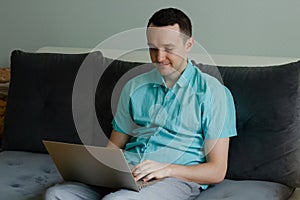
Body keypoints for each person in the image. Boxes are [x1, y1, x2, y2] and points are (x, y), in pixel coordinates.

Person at [45, 7, 237, 200]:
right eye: (153, 48)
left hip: (174, 180)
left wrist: (167, 169)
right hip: (127, 174)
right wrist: (101, 170)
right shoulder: (134, 86)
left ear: (188, 44)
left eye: (168, 49)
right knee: (57, 194)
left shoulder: (214, 93)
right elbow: (114, 146)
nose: (159, 57)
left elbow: (217, 171)